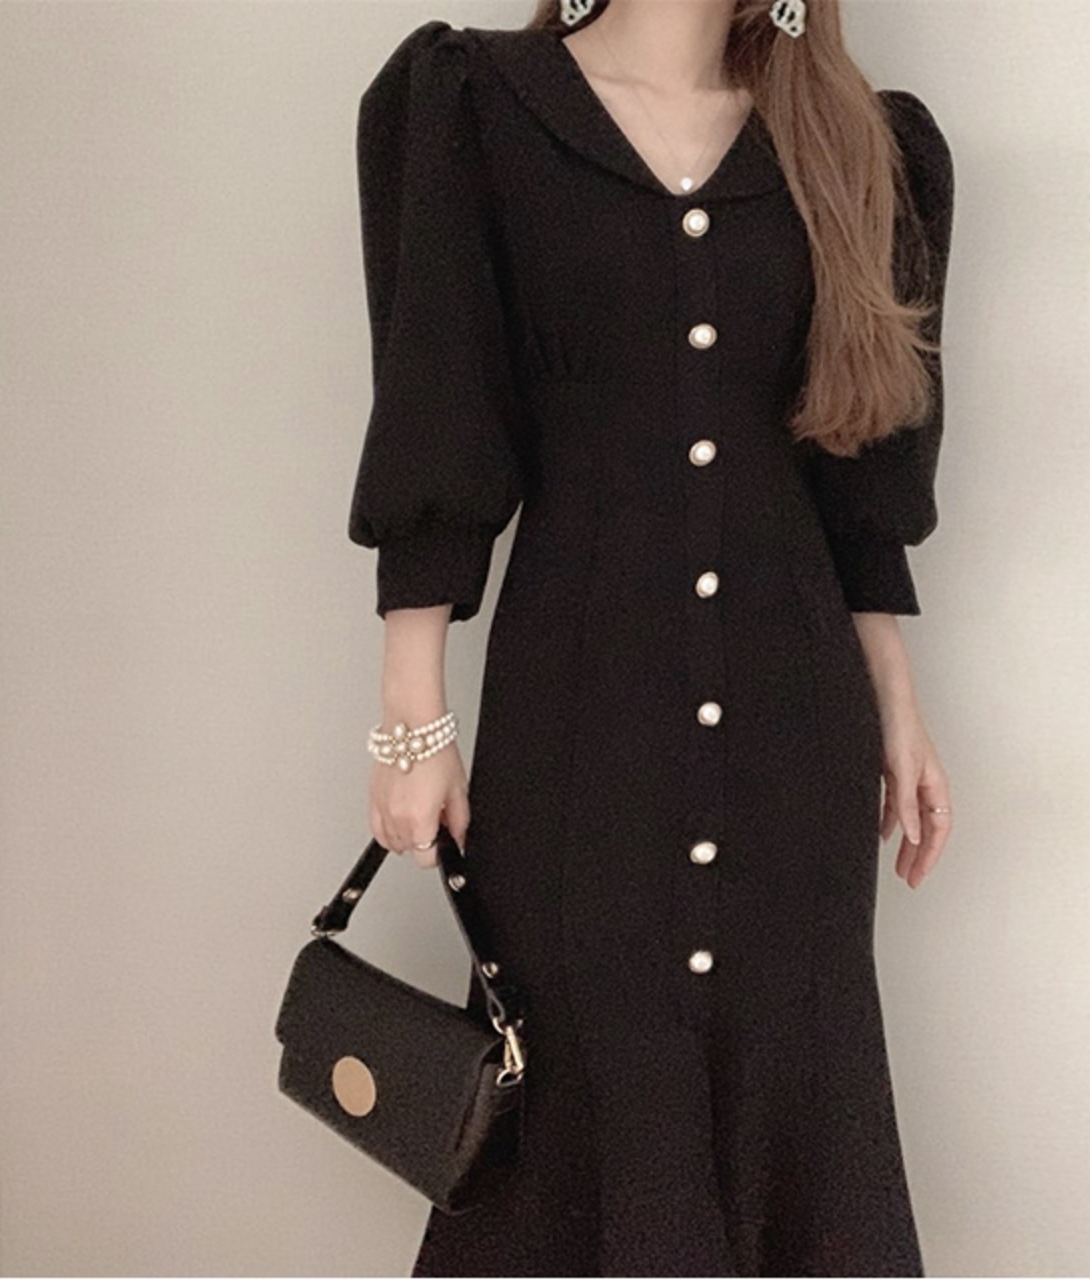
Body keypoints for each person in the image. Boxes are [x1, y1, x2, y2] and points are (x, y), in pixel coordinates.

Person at [346, 0, 955, 1273]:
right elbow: (438, 406)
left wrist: (897, 706)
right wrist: (413, 714)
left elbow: (857, 469)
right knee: (581, 1062)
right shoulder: (477, 109)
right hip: (579, 717)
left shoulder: (859, 144)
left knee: (793, 1067)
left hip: (795, 732)